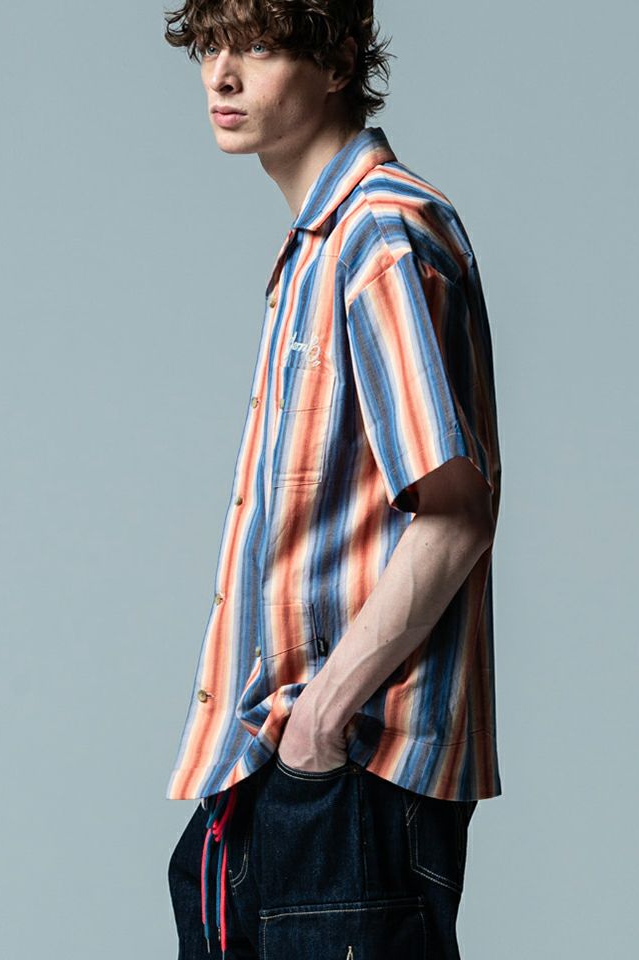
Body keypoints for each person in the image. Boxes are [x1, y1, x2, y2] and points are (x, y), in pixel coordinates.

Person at [163, 2, 503, 958]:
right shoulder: (317, 249)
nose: (222, 75)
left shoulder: (381, 235)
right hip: (264, 779)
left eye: (257, 46)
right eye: (210, 45)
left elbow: (454, 514)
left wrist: (318, 726)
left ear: (340, 59)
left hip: (346, 780)